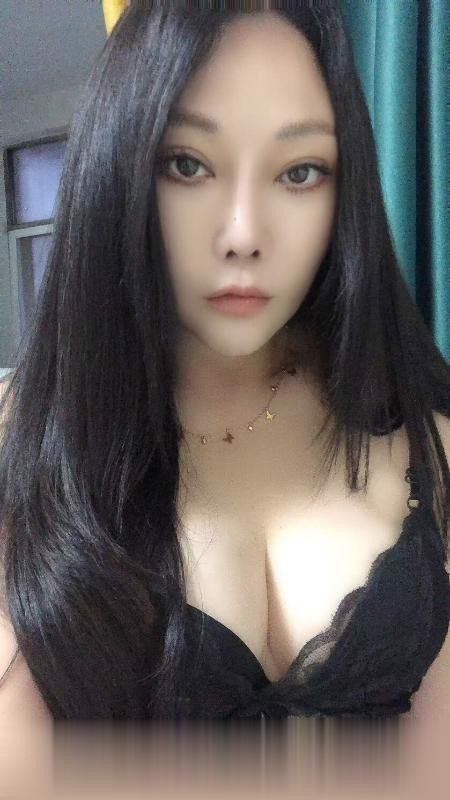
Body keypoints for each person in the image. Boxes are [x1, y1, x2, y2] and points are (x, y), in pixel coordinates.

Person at [0, 0, 449, 732]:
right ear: (116, 173)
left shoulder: (420, 434)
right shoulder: (33, 451)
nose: (244, 234)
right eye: (188, 165)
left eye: (299, 172)